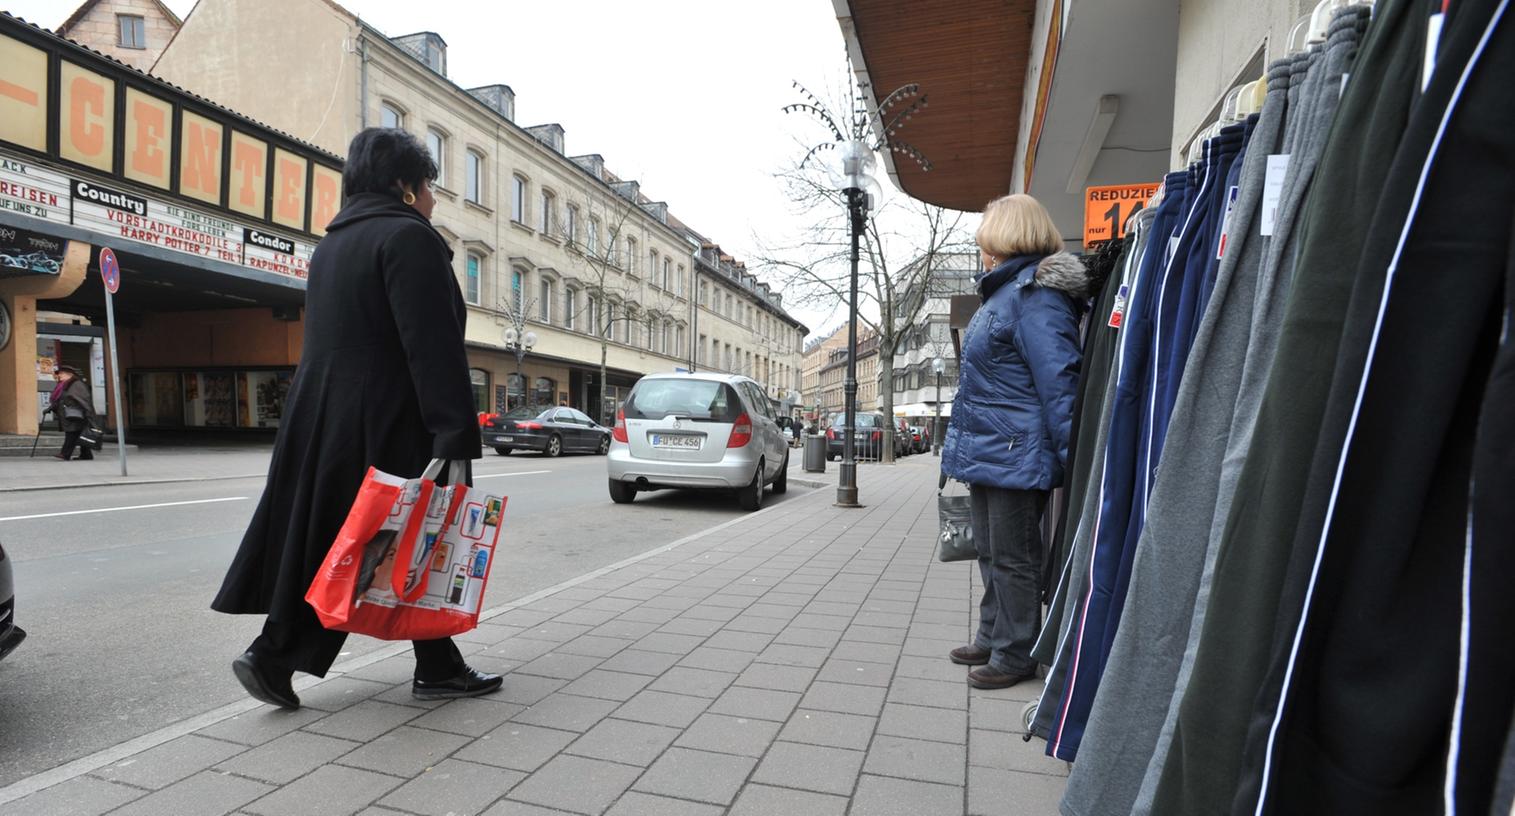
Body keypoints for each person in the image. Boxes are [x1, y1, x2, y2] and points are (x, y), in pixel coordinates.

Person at [213, 128, 500, 709]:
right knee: (378, 540)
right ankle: (273, 653)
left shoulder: (333, 246)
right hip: (391, 418)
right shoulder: (407, 238)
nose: (434, 200)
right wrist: (455, 432)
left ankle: (437, 664)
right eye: (430, 187)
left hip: (322, 414)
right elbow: (431, 344)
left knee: (376, 537)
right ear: (404, 185)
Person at [940, 194, 1090, 689]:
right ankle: (992, 635)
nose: (982, 247)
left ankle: (1017, 652)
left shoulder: (1036, 297)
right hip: (992, 450)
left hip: (1015, 453)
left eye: (987, 236)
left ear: (1008, 235)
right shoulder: (1004, 293)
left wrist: (1076, 462)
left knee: (1013, 556)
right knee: (989, 550)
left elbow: (1060, 382)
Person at [44, 365, 95, 461]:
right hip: (69, 414)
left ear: (70, 375)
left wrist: (87, 413)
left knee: (71, 434)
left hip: (76, 415)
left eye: (61, 373)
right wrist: (51, 408)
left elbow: (83, 399)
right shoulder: (64, 385)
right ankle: (86, 455)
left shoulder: (76, 384)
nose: (59, 375)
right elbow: (60, 399)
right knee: (79, 434)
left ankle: (65, 454)